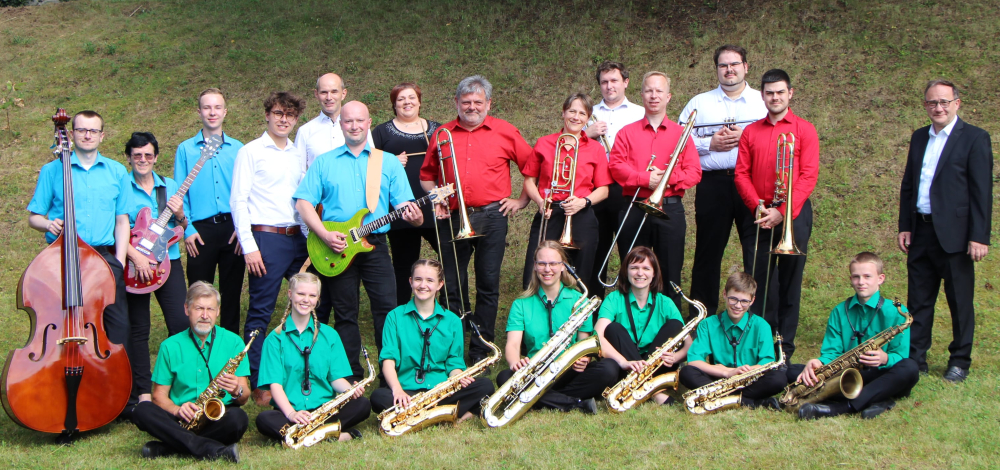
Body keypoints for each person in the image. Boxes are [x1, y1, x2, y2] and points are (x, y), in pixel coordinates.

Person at [295, 101, 422, 380]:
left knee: (387, 311)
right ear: (341, 124)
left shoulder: (386, 162)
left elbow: (409, 209)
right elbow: (303, 203)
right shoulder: (324, 162)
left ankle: (392, 374)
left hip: (375, 245)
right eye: (348, 121)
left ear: (369, 122)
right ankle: (350, 376)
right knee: (345, 313)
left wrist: (415, 217)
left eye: (359, 121)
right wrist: (324, 234)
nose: (354, 126)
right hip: (336, 246)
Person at [419, 75, 534, 364]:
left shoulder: (505, 131)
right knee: (452, 283)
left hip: (493, 216)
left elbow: (532, 166)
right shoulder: (443, 132)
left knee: (488, 282)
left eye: (478, 102)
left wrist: (521, 200)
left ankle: (481, 348)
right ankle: (454, 345)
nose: (472, 107)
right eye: (466, 102)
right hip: (452, 216)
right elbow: (426, 176)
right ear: (456, 102)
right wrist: (437, 198)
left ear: (489, 104)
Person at [27, 109, 134, 413]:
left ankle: (118, 395)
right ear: (71, 134)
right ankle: (63, 387)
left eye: (93, 130)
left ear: (103, 135)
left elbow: (122, 220)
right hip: (63, 257)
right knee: (64, 326)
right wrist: (47, 224)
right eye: (81, 130)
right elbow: (35, 216)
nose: (87, 135)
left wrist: (120, 261)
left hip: (104, 259)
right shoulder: (52, 171)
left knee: (115, 327)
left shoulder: (116, 172)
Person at [897, 80, 992, 383]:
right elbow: (909, 185)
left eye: (944, 102)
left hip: (957, 236)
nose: (938, 108)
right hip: (921, 231)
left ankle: (960, 360)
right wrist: (905, 225)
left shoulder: (975, 139)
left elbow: (982, 192)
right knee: (919, 299)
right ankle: (916, 358)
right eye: (931, 102)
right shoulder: (919, 137)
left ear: (957, 103)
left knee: (959, 301)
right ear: (925, 105)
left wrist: (979, 236)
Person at [734, 69, 819, 361]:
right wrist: (757, 206)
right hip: (758, 213)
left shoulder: (805, 130)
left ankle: (786, 346)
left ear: (790, 93)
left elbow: (808, 176)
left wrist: (782, 213)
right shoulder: (751, 131)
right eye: (769, 92)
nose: (775, 97)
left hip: (792, 214)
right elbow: (741, 174)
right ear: (762, 95)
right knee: (758, 280)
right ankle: (760, 342)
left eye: (780, 92)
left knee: (790, 281)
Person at [230, 91, 308, 404]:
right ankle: (260, 378)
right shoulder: (251, 151)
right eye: (278, 113)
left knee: (304, 304)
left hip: (298, 239)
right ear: (267, 114)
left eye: (289, 115)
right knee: (261, 310)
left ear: (296, 119)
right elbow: (238, 200)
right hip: (266, 238)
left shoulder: (295, 153)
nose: (283, 119)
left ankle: (295, 372)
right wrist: (248, 245)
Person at [679, 45, 767, 319]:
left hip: (752, 185)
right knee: (708, 253)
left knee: (756, 253)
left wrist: (748, 139)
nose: (729, 70)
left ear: (746, 67)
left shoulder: (762, 101)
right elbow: (678, 141)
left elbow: (776, 138)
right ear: (716, 68)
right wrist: (709, 144)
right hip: (713, 185)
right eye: (723, 65)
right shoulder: (699, 103)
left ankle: (758, 318)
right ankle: (700, 317)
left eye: (735, 64)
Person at [609, 71, 701, 309]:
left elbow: (694, 172)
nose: (654, 96)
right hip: (633, 207)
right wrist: (644, 178)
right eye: (649, 90)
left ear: (668, 97)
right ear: (641, 95)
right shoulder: (626, 132)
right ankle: (630, 324)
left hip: (669, 209)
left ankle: (670, 328)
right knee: (632, 269)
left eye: (659, 91)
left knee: (670, 271)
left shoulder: (682, 134)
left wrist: (666, 180)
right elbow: (616, 167)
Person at [789, 252, 919, 420]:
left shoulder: (897, 313)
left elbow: (901, 355)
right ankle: (878, 400)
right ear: (850, 279)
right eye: (856, 277)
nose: (861, 282)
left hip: (882, 374)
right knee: (792, 372)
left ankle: (843, 407)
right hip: (847, 375)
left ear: (880, 278)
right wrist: (818, 363)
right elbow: (832, 353)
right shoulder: (839, 311)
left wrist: (885, 358)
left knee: (909, 368)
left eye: (867, 276)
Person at [131, 282, 247, 462]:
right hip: (180, 420)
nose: (205, 315)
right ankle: (211, 449)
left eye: (210, 309)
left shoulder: (234, 342)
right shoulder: (169, 346)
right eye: (199, 308)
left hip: (215, 417)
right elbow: (158, 397)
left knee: (238, 418)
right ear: (187, 309)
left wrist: (236, 390)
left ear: (218, 311)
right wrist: (177, 410)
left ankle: (168, 447)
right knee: (142, 410)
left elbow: (244, 397)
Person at [499, 242, 618, 414]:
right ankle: (575, 402)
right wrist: (515, 363)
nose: (547, 269)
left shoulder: (579, 300)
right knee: (505, 377)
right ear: (535, 266)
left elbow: (583, 343)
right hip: (537, 372)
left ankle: (539, 398)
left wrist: (584, 360)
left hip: (570, 370)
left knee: (609, 369)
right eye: (542, 264)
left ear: (563, 266)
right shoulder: (520, 304)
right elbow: (513, 345)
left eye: (553, 263)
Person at [371, 259, 494, 424]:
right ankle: (445, 415)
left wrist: (458, 377)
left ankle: (417, 417)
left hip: (442, 391)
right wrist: (397, 391)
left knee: (485, 386)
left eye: (430, 280)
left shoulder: (453, 321)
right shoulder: (394, 317)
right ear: (410, 282)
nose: (423, 285)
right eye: (418, 279)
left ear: (440, 285)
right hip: (408, 393)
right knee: (378, 397)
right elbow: (388, 360)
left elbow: (454, 361)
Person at [256, 273, 370, 442]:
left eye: (312, 295)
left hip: (325, 409)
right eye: (301, 294)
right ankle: (330, 435)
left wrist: (350, 391)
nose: (306, 300)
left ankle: (299, 436)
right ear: (290, 294)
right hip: (290, 411)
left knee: (362, 405)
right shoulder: (274, 339)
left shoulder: (330, 335)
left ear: (318, 299)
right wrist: (292, 413)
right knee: (264, 419)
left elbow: (335, 379)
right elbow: (275, 386)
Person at [123, 131, 190, 405]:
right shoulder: (121, 185)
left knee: (180, 323)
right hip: (132, 265)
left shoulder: (170, 185)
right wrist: (135, 257)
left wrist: (179, 214)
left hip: (168, 262)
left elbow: (182, 227)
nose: (143, 160)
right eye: (137, 155)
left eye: (148, 155)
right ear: (129, 157)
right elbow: (113, 229)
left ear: (156, 157)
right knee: (139, 329)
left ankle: (182, 387)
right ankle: (142, 392)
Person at [521, 93, 611, 289]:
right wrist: (539, 201)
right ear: (563, 113)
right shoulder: (544, 143)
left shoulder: (595, 148)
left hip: (580, 213)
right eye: (572, 111)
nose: (576, 117)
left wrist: (583, 202)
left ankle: (578, 315)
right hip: (549, 212)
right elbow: (529, 180)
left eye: (582, 113)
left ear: (588, 119)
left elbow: (603, 189)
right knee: (534, 270)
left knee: (581, 273)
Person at [175, 88, 246, 335]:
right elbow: (178, 194)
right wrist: (188, 229)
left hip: (231, 230)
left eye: (217, 107)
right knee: (198, 293)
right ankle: (198, 343)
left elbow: (246, 193)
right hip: (200, 231)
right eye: (207, 107)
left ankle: (230, 347)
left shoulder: (238, 149)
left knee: (232, 292)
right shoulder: (185, 149)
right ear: (199, 112)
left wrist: (242, 229)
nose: (212, 112)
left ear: (225, 112)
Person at [372, 83, 443, 307]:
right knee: (403, 264)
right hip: (400, 209)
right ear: (394, 104)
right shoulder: (381, 132)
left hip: (434, 206)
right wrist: (390, 163)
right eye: (401, 99)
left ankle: (452, 308)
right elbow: (368, 170)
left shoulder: (438, 130)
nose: (407, 102)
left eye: (411, 97)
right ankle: (402, 310)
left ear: (420, 101)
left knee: (449, 260)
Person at [595, 246, 690, 405]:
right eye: (634, 268)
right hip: (624, 365)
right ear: (626, 271)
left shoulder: (665, 303)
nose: (640, 273)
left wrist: (675, 357)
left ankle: (639, 385)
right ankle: (653, 391)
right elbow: (597, 335)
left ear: (654, 273)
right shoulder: (614, 299)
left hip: (656, 365)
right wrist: (623, 362)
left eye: (646, 268)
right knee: (613, 329)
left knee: (674, 325)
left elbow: (688, 344)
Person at [680, 272, 786, 409]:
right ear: (724, 294)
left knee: (779, 378)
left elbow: (768, 362)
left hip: (749, 379)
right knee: (687, 373)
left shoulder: (762, 326)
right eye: (733, 299)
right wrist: (727, 372)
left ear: (752, 300)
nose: (738, 305)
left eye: (744, 301)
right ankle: (747, 401)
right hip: (719, 378)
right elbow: (694, 360)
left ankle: (723, 399)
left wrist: (748, 371)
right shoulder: (707, 324)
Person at [586, 61, 646, 297]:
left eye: (614, 81)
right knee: (596, 249)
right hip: (596, 188)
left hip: (627, 189)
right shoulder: (588, 113)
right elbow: (568, 146)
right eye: (604, 82)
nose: (609, 86)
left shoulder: (640, 113)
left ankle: (630, 303)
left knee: (630, 250)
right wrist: (586, 134)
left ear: (626, 83)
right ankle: (592, 308)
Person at [296, 73, 374, 167]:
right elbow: (299, 171)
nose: (329, 97)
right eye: (324, 92)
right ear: (316, 94)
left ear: (343, 93)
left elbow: (371, 163)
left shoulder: (359, 128)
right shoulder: (305, 132)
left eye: (334, 92)